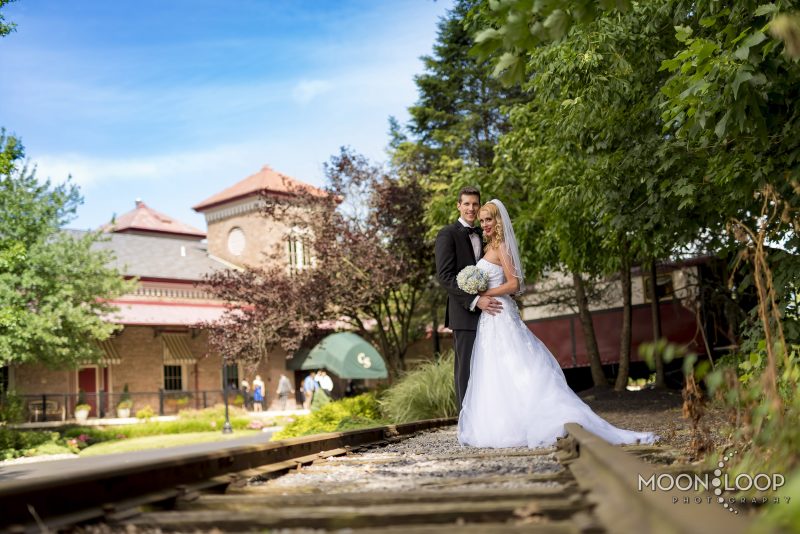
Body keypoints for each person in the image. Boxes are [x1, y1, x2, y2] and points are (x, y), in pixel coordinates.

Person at [458, 199, 657, 448]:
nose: (485, 224)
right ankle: (505, 424)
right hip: (490, 319)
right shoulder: (490, 247)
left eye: (490, 219)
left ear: (498, 221)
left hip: (501, 314)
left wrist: (488, 292)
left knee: (517, 366)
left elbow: (514, 284)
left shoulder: (503, 247)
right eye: (483, 219)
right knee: (496, 370)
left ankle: (547, 417)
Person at [434, 186, 503, 411]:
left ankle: (487, 416)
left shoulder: (485, 234)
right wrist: (475, 300)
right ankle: (466, 423)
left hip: (489, 314)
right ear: (458, 205)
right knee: (466, 369)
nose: (471, 208)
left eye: (475, 204)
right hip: (463, 313)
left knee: (487, 368)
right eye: (466, 204)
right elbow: (444, 276)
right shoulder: (448, 233)